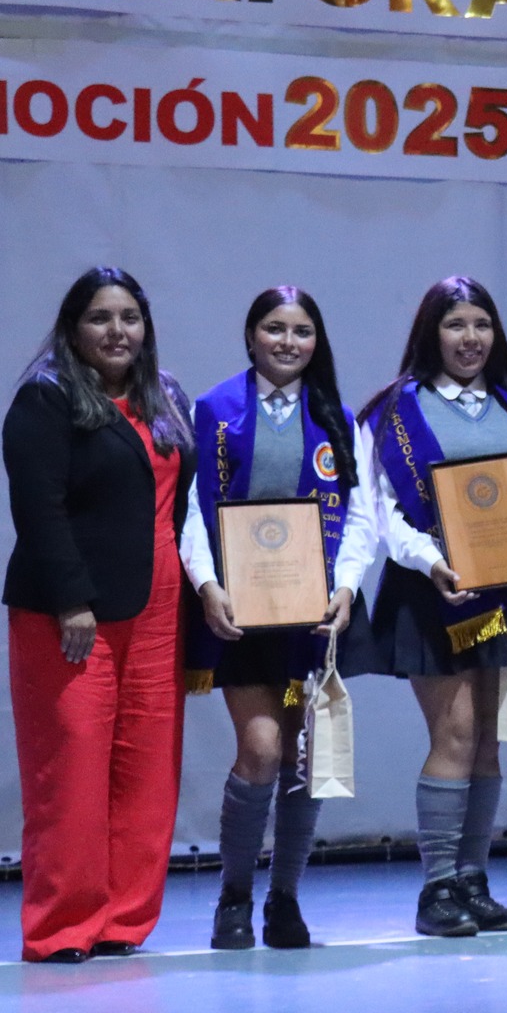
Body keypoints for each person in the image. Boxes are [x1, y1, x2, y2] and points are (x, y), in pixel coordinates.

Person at [348, 276, 507, 936]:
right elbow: (384, 514)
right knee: (451, 734)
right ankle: (437, 887)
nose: (470, 337)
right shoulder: (394, 411)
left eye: (481, 323)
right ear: (431, 332)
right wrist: (432, 561)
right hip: (432, 593)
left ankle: (473, 879)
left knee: (485, 738)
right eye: (456, 324)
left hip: (505, 591)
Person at [2, 267, 195, 963]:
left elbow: (185, 505)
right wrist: (70, 598)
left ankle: (122, 919)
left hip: (160, 607)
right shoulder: (47, 397)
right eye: (100, 318)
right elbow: (38, 508)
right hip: (71, 614)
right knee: (72, 772)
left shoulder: (167, 396)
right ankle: (61, 927)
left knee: (146, 773)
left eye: (130, 317)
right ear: (73, 328)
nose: (118, 331)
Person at [179, 287, 380, 949]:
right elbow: (192, 510)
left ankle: (285, 898)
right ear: (250, 335)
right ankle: (234, 895)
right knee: (263, 749)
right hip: (242, 609)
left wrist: (347, 586)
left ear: (316, 342)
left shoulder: (339, 418)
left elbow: (359, 515)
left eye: (301, 330)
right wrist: (208, 584)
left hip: (313, 615)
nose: (287, 341)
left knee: (304, 757)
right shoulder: (215, 410)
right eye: (274, 328)